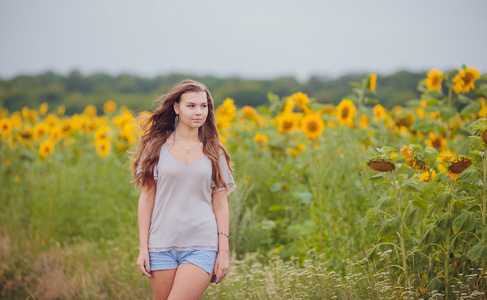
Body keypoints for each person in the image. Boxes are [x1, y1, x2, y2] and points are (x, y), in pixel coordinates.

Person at [132, 79, 236, 300]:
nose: (199, 112)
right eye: (191, 106)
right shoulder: (156, 148)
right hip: (160, 245)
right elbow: (147, 199)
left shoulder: (214, 151)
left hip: (202, 245)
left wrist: (223, 252)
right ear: (176, 108)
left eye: (203, 106)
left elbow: (220, 204)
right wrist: (143, 248)